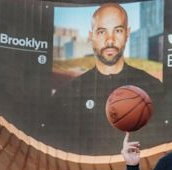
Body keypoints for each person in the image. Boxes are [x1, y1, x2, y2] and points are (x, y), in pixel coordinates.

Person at [45, 3, 164, 154]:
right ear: (91, 36)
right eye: (101, 32)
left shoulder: (153, 86)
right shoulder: (67, 94)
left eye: (118, 30)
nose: (110, 40)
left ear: (127, 34)